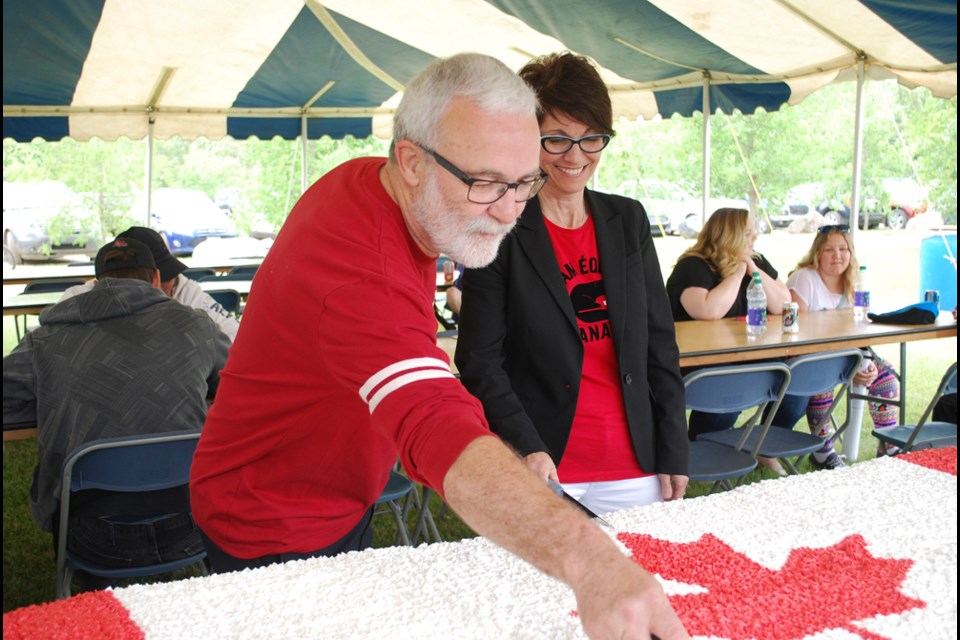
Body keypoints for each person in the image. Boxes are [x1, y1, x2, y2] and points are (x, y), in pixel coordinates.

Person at [188, 53, 688, 639]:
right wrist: (591, 560)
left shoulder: (381, 189)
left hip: (339, 489)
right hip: (269, 517)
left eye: (523, 182)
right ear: (412, 162)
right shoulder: (358, 270)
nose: (507, 211)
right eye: (484, 183)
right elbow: (434, 419)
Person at [454, 52, 688, 516]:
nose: (576, 156)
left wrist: (673, 446)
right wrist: (527, 448)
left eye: (591, 139)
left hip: (635, 464)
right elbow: (479, 359)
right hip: (545, 465)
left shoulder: (628, 220)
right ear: (527, 138)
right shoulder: (499, 225)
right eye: (556, 139)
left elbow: (659, 343)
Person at [2, 237, 230, 582]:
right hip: (190, 524)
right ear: (157, 279)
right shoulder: (196, 326)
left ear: (94, 284)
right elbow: (230, 377)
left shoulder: (46, 339)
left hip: (95, 536)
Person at [665, 207, 797, 474]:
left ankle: (760, 444)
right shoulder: (693, 265)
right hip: (698, 363)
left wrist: (753, 270)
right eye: (748, 233)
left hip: (743, 355)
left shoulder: (754, 260)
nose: (755, 238)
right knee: (727, 390)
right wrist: (738, 274)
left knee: (793, 382)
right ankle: (705, 453)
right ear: (730, 235)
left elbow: (784, 303)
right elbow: (707, 310)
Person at [785, 224, 901, 463]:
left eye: (843, 249)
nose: (837, 255)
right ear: (817, 253)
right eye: (829, 249)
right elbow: (800, 334)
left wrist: (863, 363)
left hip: (849, 355)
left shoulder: (855, 282)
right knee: (822, 380)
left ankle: (888, 444)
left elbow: (860, 332)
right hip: (811, 357)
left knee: (885, 377)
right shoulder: (805, 279)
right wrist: (848, 367)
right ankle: (822, 449)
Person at [60, 226, 240, 342]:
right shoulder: (77, 299)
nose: (169, 282)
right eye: (161, 278)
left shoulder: (185, 290)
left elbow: (237, 337)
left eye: (169, 273)